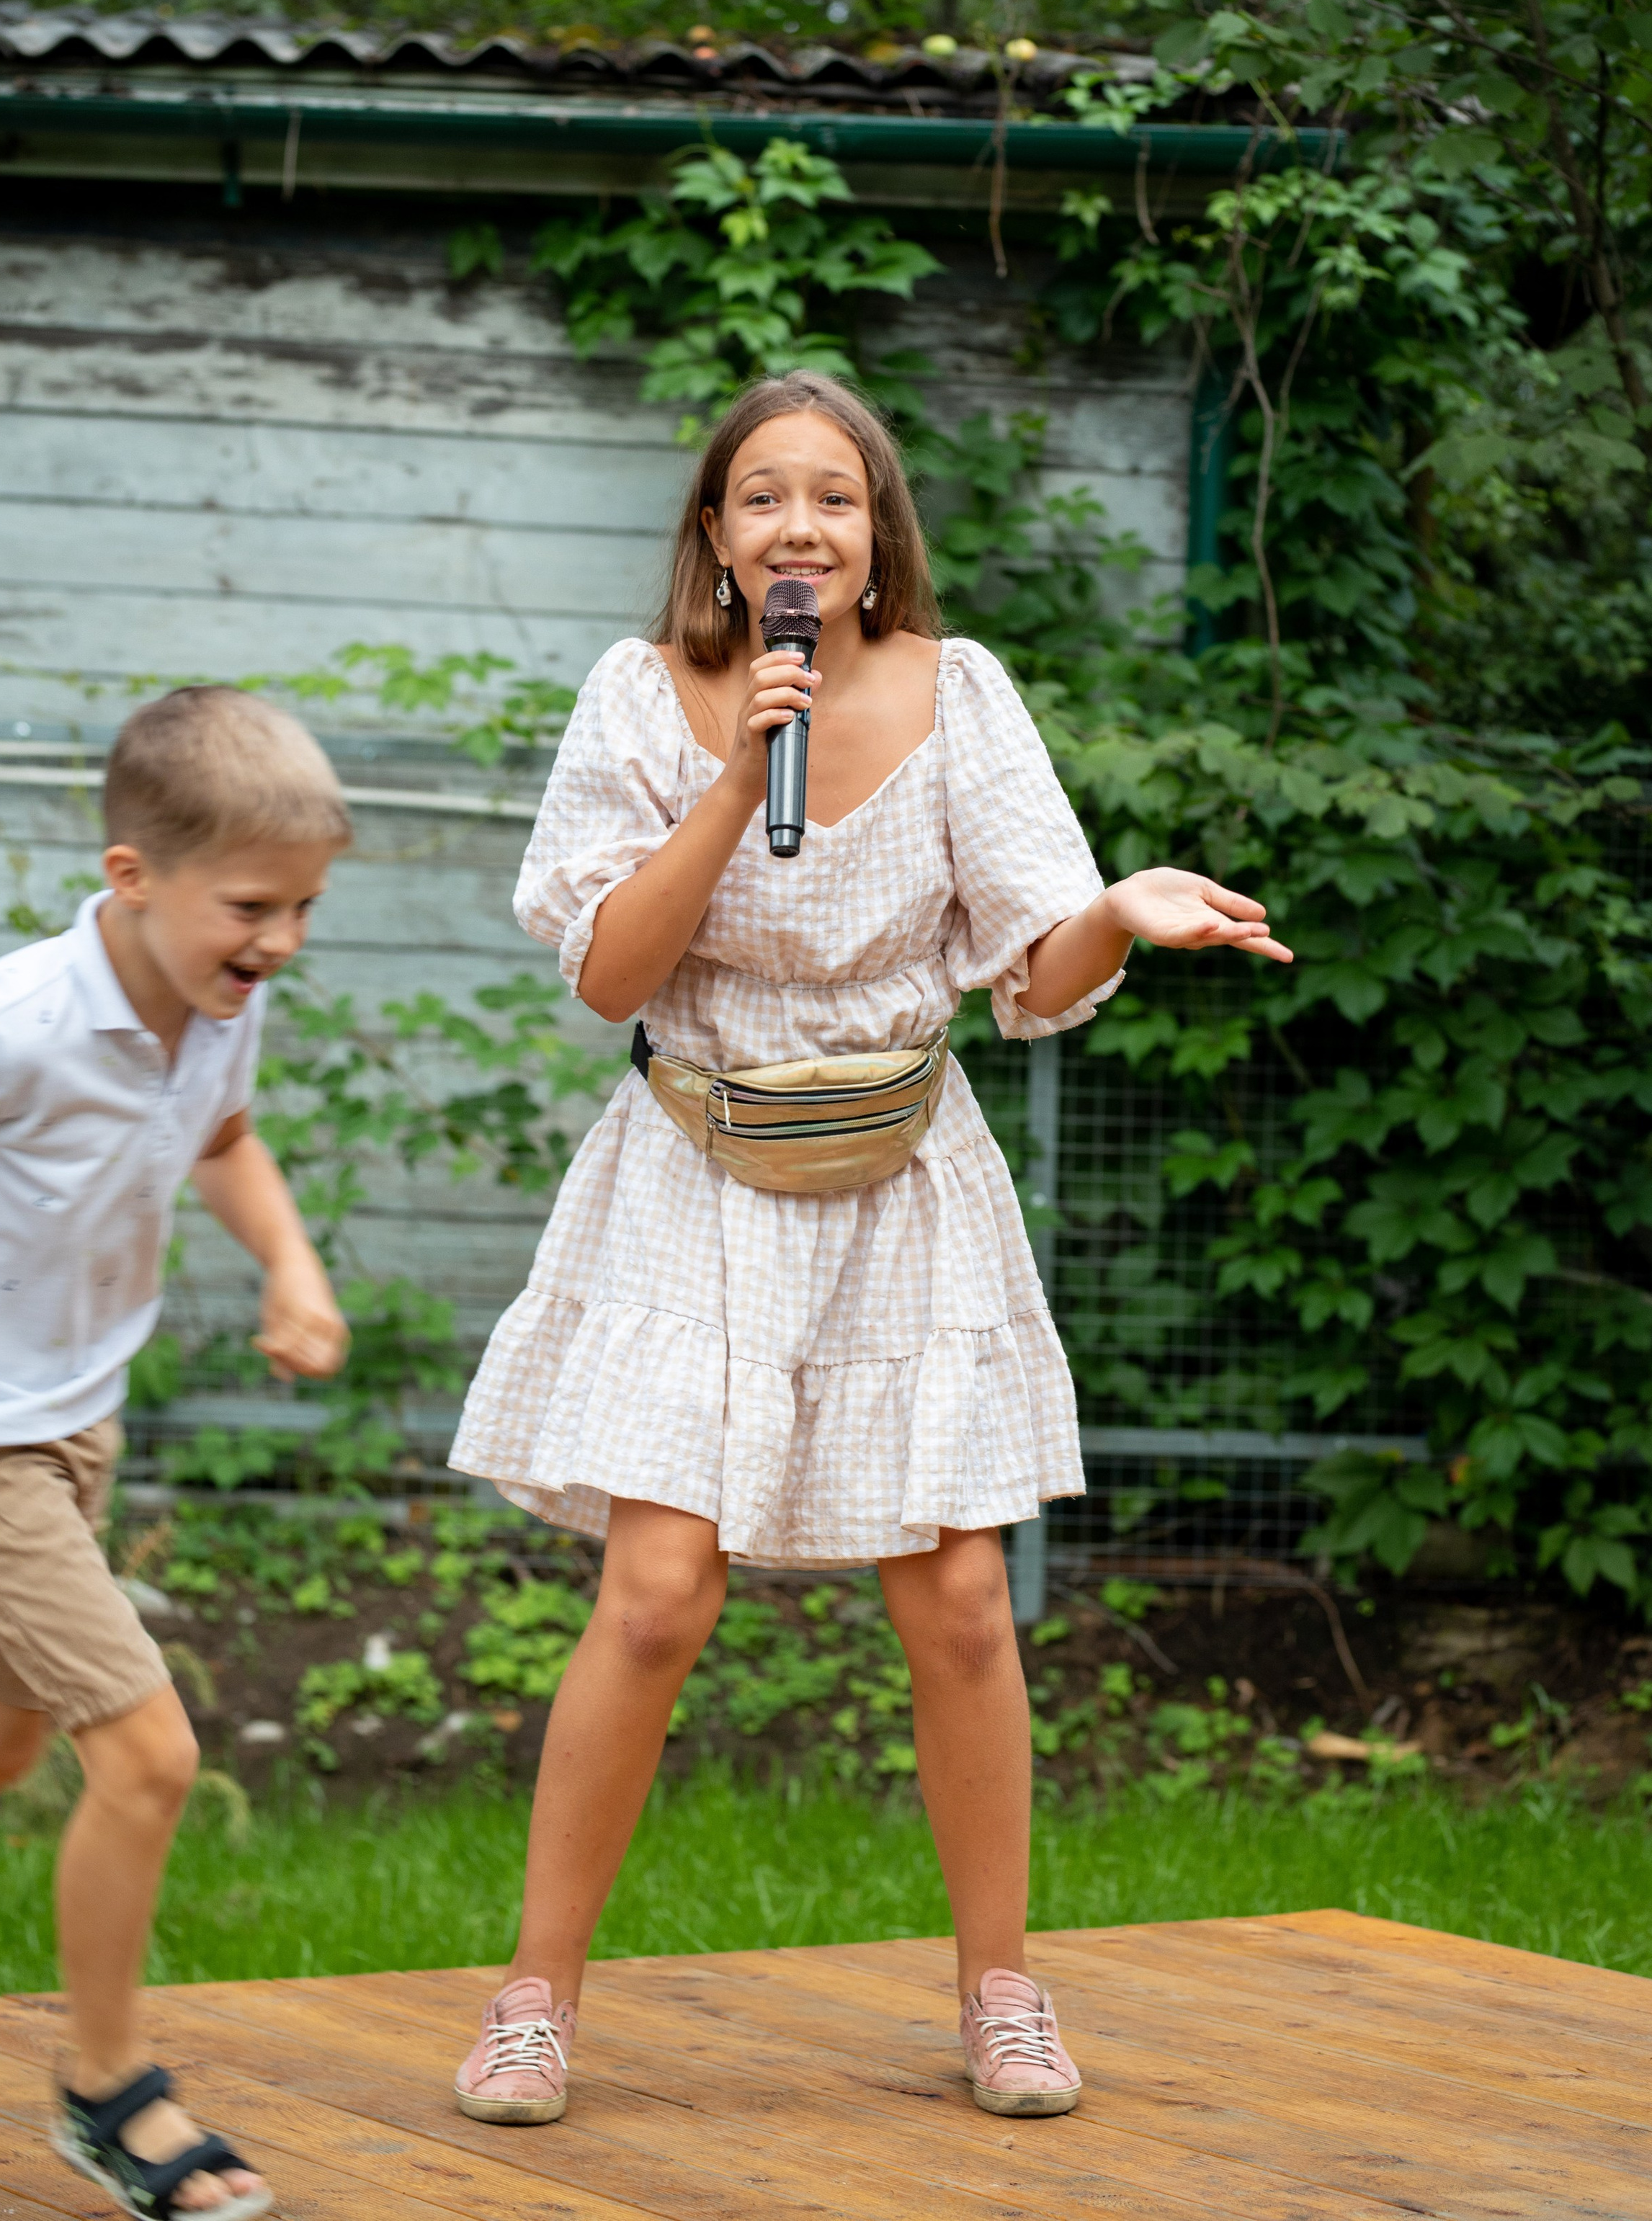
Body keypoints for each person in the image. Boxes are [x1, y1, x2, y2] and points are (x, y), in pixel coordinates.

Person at [447, 369, 1292, 2127]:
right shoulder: (639, 695)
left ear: (877, 531)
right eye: (763, 498)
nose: (799, 528)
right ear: (713, 533)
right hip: (693, 1166)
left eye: (833, 497)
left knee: (967, 1607)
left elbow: (1033, 975)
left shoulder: (956, 690)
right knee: (659, 1594)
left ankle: (1001, 1995)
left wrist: (1114, 915)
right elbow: (609, 975)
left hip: (905, 1178)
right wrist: (731, 769)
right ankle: (532, 2000)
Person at [0, 688, 352, 2220]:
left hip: (69, 1428)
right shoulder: (11, 1022)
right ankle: (107, 2095)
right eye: (251, 907)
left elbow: (224, 1141)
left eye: (302, 907)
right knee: (146, 1754)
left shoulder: (214, 1008)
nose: (279, 940)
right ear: (131, 877)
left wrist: (290, 1270)